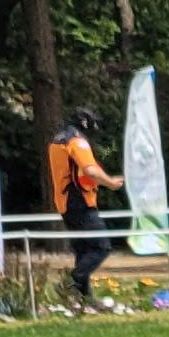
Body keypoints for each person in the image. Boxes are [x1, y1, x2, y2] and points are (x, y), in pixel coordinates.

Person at [46, 120, 120, 304]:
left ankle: (83, 298)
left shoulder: (57, 141)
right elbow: (90, 170)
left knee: (83, 250)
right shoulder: (77, 142)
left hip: (64, 203)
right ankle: (69, 283)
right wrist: (111, 182)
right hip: (80, 202)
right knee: (100, 247)